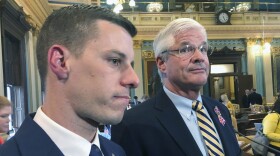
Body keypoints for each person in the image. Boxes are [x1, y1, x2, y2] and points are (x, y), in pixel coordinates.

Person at [0, 4, 139, 155]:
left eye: (130, 65)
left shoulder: (116, 151)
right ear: (61, 62)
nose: (134, 79)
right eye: (115, 61)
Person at [111, 18, 241, 156]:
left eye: (203, 49)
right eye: (186, 49)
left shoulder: (219, 110)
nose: (199, 57)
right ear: (162, 63)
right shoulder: (132, 123)